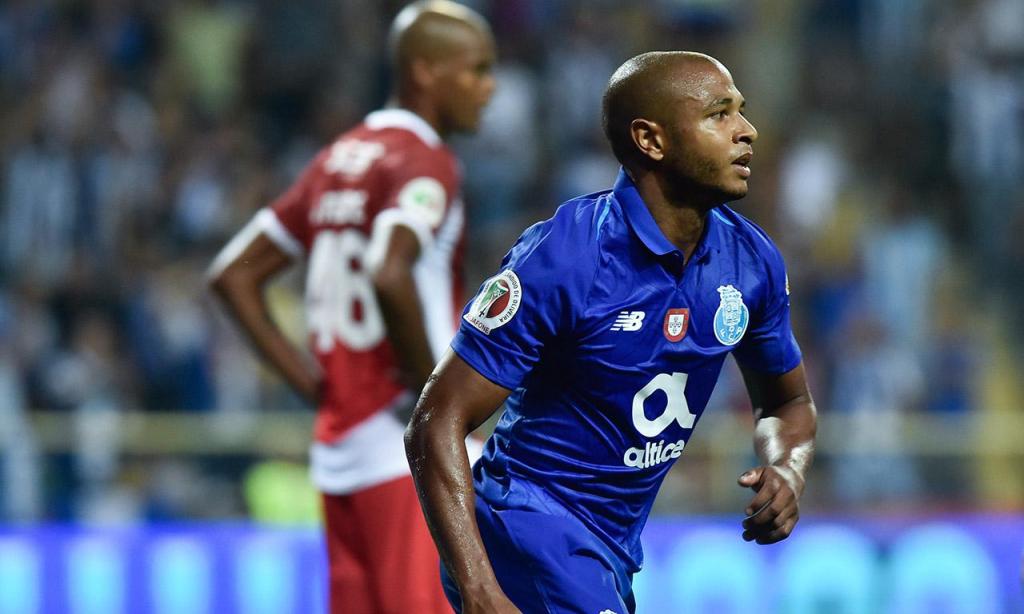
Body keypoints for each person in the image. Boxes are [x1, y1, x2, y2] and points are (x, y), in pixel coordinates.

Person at [405, 51, 818, 614]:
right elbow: (435, 421)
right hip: (527, 529)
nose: (747, 131)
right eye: (719, 114)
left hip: (610, 549)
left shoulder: (751, 261)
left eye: (740, 111)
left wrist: (788, 469)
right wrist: (478, 588)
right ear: (651, 140)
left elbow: (788, 402)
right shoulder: (565, 255)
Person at [207, 2, 495, 612]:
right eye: (476, 70)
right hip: (406, 460)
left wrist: (316, 387)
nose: (489, 88)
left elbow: (234, 276)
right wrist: (434, 399)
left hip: (341, 454)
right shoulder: (425, 162)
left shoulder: (338, 159)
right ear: (425, 71)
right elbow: (389, 270)